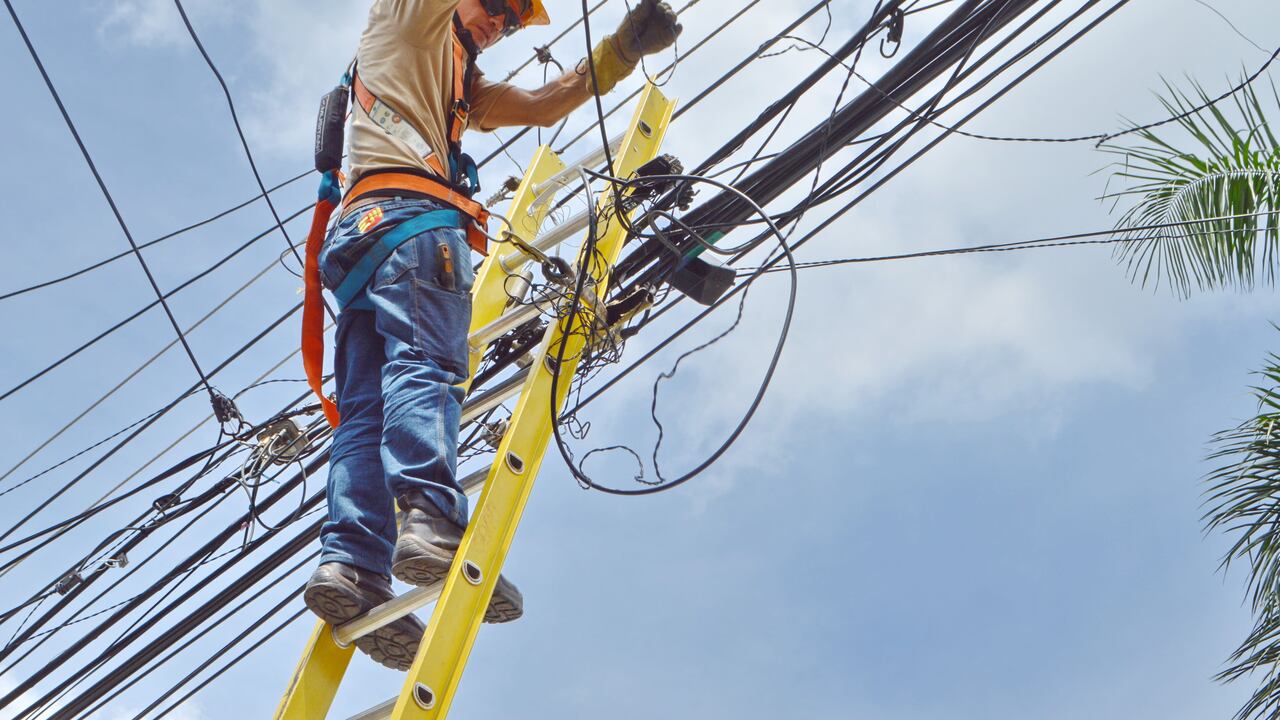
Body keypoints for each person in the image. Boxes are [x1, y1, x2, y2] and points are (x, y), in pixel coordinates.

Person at [303, 0, 681, 671]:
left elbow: (541, 105)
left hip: (359, 242)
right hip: (410, 224)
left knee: (365, 411)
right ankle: (428, 516)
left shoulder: (458, 86)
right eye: (496, 8)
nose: (498, 25)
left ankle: (351, 565)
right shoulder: (409, 20)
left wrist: (619, 53)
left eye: (510, 23)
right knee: (428, 367)